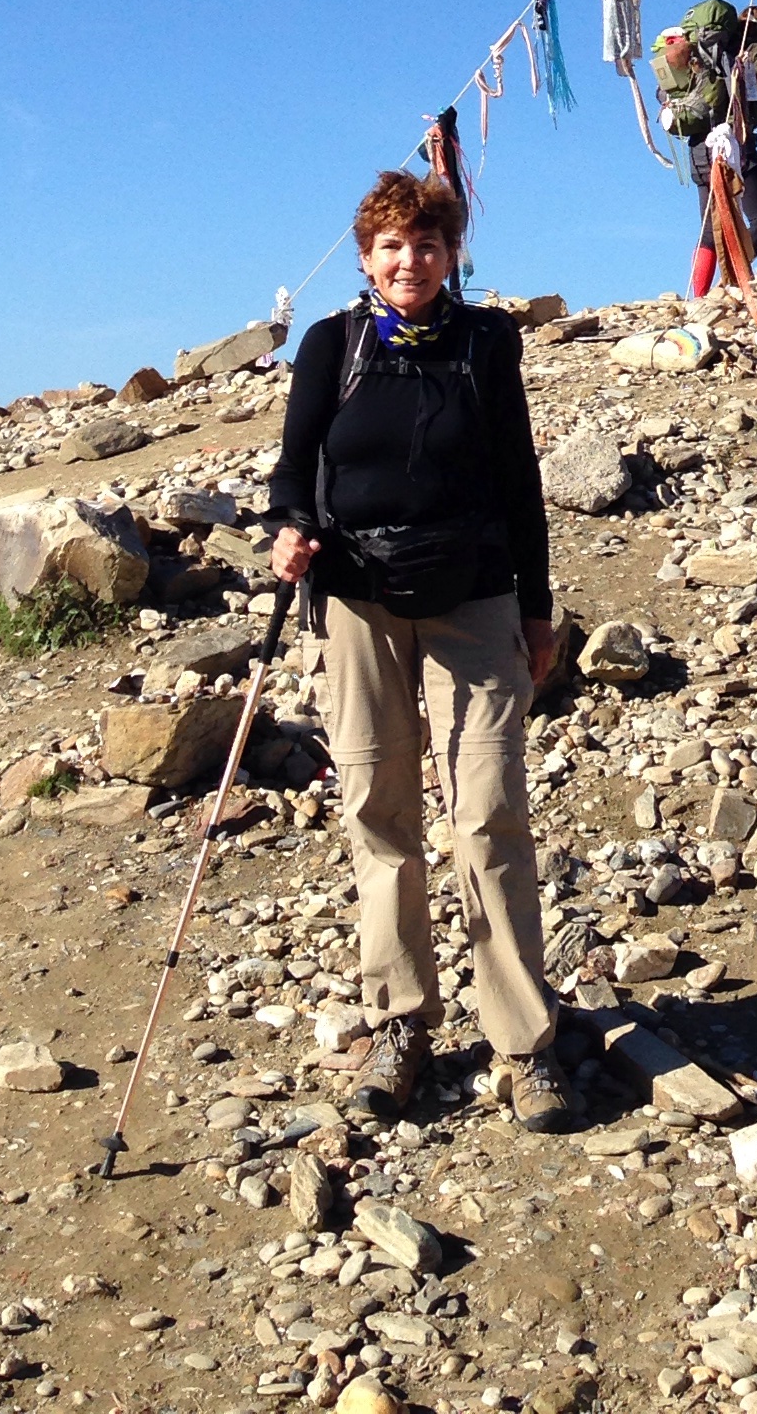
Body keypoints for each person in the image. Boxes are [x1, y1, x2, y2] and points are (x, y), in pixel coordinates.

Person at [267, 168, 570, 1130]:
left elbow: (518, 479)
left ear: (451, 254)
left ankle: (524, 1041)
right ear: (367, 257)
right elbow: (294, 470)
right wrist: (288, 531)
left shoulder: (487, 343)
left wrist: (536, 611)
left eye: (428, 244)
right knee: (378, 808)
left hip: (475, 599)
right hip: (356, 603)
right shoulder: (332, 345)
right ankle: (400, 1023)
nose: (411, 261)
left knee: (489, 811)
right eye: (393, 245)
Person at [652, 0, 757, 298]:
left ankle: (700, 297)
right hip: (734, 147)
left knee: (710, 230)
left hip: (698, 149)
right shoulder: (754, 49)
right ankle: (731, 279)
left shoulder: (702, 57)